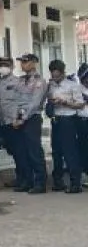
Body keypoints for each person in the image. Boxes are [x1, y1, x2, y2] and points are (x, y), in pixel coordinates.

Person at [0, 57, 29, 192]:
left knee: (20, 152)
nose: (3, 67)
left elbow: (23, 103)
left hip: (15, 122)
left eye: (6, 65)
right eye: (0, 65)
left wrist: (20, 119)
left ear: (12, 67)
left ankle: (25, 180)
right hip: (3, 122)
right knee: (13, 152)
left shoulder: (18, 82)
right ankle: (19, 177)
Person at [46, 59, 83, 193]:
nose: (55, 78)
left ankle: (75, 183)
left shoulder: (72, 85)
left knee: (69, 152)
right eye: (53, 75)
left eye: (57, 76)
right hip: (56, 119)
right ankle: (58, 181)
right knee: (56, 151)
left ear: (63, 73)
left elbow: (80, 104)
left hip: (68, 120)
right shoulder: (51, 86)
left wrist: (65, 102)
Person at [16, 53, 49, 193]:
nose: (23, 64)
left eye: (25, 62)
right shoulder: (20, 80)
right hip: (19, 118)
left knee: (34, 151)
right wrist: (16, 117)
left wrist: (22, 118)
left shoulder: (39, 81)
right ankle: (27, 181)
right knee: (23, 151)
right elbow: (16, 99)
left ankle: (40, 182)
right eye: (22, 62)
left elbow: (34, 103)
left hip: (32, 118)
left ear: (34, 63)